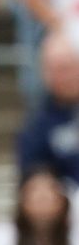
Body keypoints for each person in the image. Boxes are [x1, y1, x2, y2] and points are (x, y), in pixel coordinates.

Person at [16, 29, 79, 184]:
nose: (62, 78)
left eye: (65, 68)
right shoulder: (37, 124)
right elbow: (32, 175)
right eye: (53, 70)